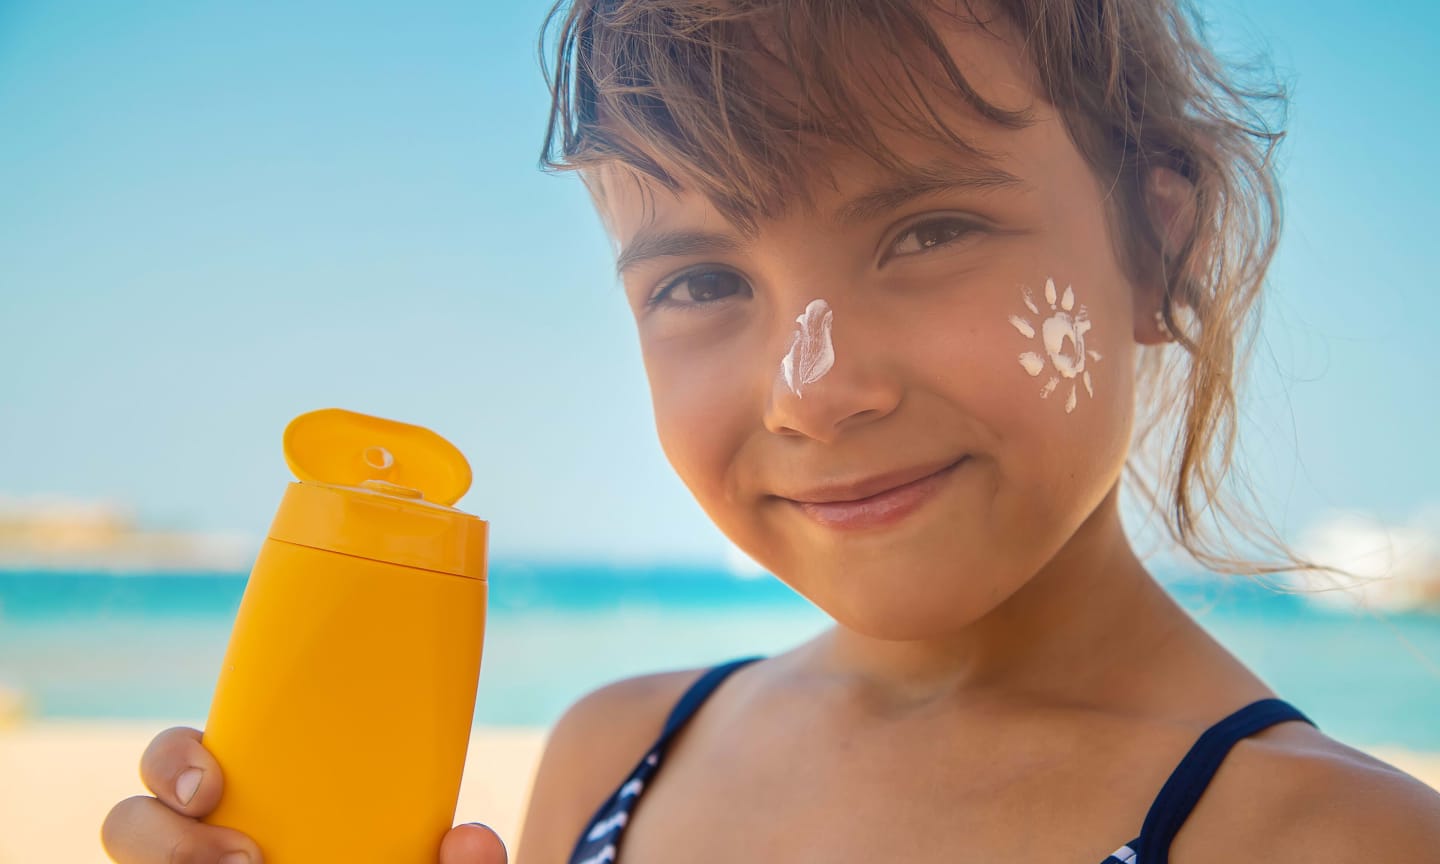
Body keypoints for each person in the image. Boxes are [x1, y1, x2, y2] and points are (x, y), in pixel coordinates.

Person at [102, 1, 1440, 861]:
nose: (815, 387)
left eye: (927, 231)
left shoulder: (1334, 842)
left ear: (1157, 237)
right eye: (699, 282)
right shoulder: (613, 758)